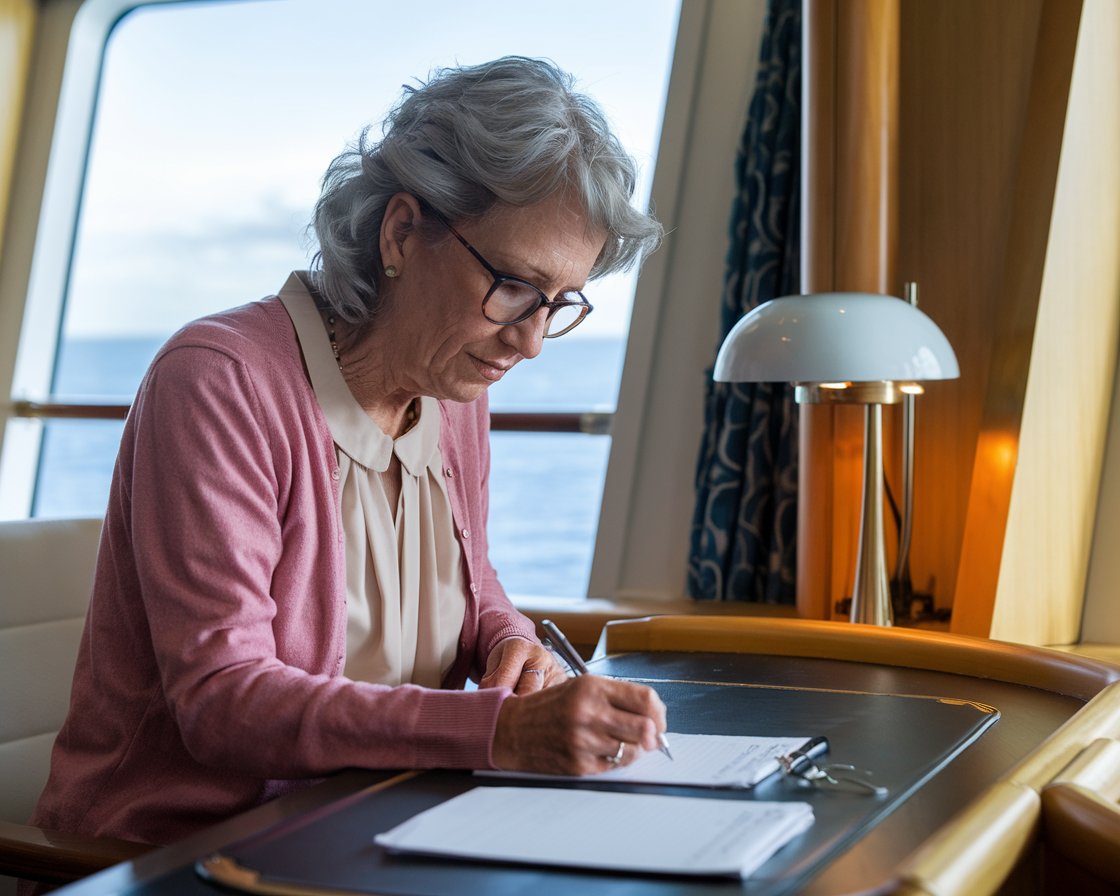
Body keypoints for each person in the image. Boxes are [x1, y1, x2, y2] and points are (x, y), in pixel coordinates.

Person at [30, 56, 666, 848]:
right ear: (403, 231)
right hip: (183, 855)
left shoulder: (453, 388)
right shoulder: (220, 382)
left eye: (558, 304)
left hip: (374, 831)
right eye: (513, 287)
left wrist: (510, 641)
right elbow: (224, 701)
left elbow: (471, 584)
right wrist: (496, 733)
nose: (531, 342)